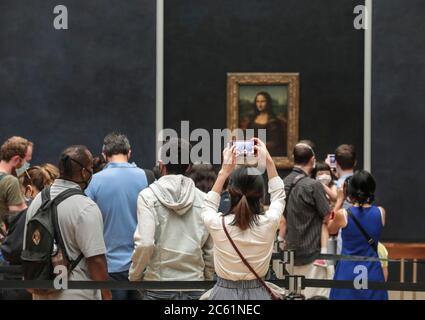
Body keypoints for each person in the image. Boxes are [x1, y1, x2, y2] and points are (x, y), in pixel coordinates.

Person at [129, 138, 214, 300]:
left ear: (161, 165)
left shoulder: (148, 197)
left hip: (158, 285)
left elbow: (145, 243)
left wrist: (135, 275)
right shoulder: (204, 200)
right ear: (189, 167)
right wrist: (205, 279)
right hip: (194, 284)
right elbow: (210, 251)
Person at [24, 145, 111, 300]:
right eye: (90, 168)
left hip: (41, 292)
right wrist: (107, 294)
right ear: (84, 172)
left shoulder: (37, 201)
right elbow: (96, 260)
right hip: (76, 293)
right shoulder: (86, 207)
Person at [202, 138, 285, 300]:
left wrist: (224, 172)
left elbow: (208, 205)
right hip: (258, 294)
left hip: (223, 295)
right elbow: (279, 195)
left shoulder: (218, 223)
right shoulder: (269, 222)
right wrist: (268, 161)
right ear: (261, 195)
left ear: (231, 192)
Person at [86, 132, 149, 300]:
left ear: (104, 155)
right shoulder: (146, 177)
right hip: (141, 265)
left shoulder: (93, 181)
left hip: (107, 267)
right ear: (129, 153)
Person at [278, 141, 333, 298]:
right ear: (312, 160)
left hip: (289, 253)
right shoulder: (314, 185)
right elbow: (327, 216)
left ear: (294, 158)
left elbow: (282, 219)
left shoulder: (283, 183)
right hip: (312, 254)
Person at [0, 164, 59, 300]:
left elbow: (11, 250)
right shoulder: (56, 210)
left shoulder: (29, 215)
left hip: (24, 283)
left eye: (21, 191)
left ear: (28, 190)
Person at [328, 170, 388, 300]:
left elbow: (330, 229)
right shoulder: (380, 212)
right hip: (372, 270)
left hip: (347, 270)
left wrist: (339, 200)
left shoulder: (343, 214)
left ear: (350, 190)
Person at [0, 137, 33, 220]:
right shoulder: (10, 181)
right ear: (16, 159)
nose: (26, 165)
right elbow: (21, 213)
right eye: (26, 161)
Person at [244, 92, 287, 156]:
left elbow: (276, 142)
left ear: (268, 103)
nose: (260, 104)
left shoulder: (273, 121)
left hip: (268, 154)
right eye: (257, 101)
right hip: (252, 154)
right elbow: (248, 138)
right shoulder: (252, 120)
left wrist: (258, 145)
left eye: (262, 101)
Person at [312, 161, 338, 267]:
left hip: (331, 219)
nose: (324, 176)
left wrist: (322, 185)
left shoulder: (333, 186)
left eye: (326, 173)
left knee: (324, 225)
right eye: (320, 173)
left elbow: (334, 197)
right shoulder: (312, 186)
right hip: (317, 219)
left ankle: (323, 255)